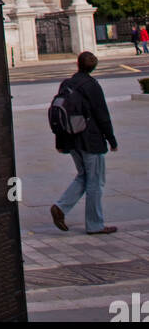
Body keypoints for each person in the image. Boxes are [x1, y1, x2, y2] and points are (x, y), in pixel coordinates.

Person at [51, 51, 118, 235]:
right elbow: (102, 115)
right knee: (95, 181)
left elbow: (60, 112)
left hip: (71, 138)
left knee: (83, 175)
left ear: (77, 64)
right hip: (91, 139)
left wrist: (60, 141)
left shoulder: (67, 84)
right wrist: (111, 139)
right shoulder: (92, 85)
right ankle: (95, 224)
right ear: (93, 67)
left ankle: (60, 207)